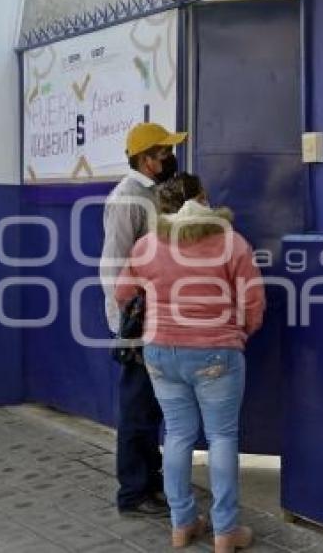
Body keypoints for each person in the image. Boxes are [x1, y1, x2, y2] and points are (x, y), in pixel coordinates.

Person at [115, 174, 266, 552]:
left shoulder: (147, 245)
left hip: (160, 352)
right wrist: (240, 332)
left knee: (178, 435)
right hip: (216, 352)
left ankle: (182, 525)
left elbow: (122, 294)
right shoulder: (231, 243)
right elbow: (254, 302)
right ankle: (226, 531)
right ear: (207, 202)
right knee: (221, 437)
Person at [100, 122, 187, 517]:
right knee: (137, 409)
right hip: (138, 322)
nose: (170, 158)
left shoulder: (152, 195)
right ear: (146, 159)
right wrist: (126, 324)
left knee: (151, 407)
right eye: (164, 153)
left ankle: (150, 485)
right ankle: (133, 493)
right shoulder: (127, 199)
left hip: (157, 320)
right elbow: (114, 264)